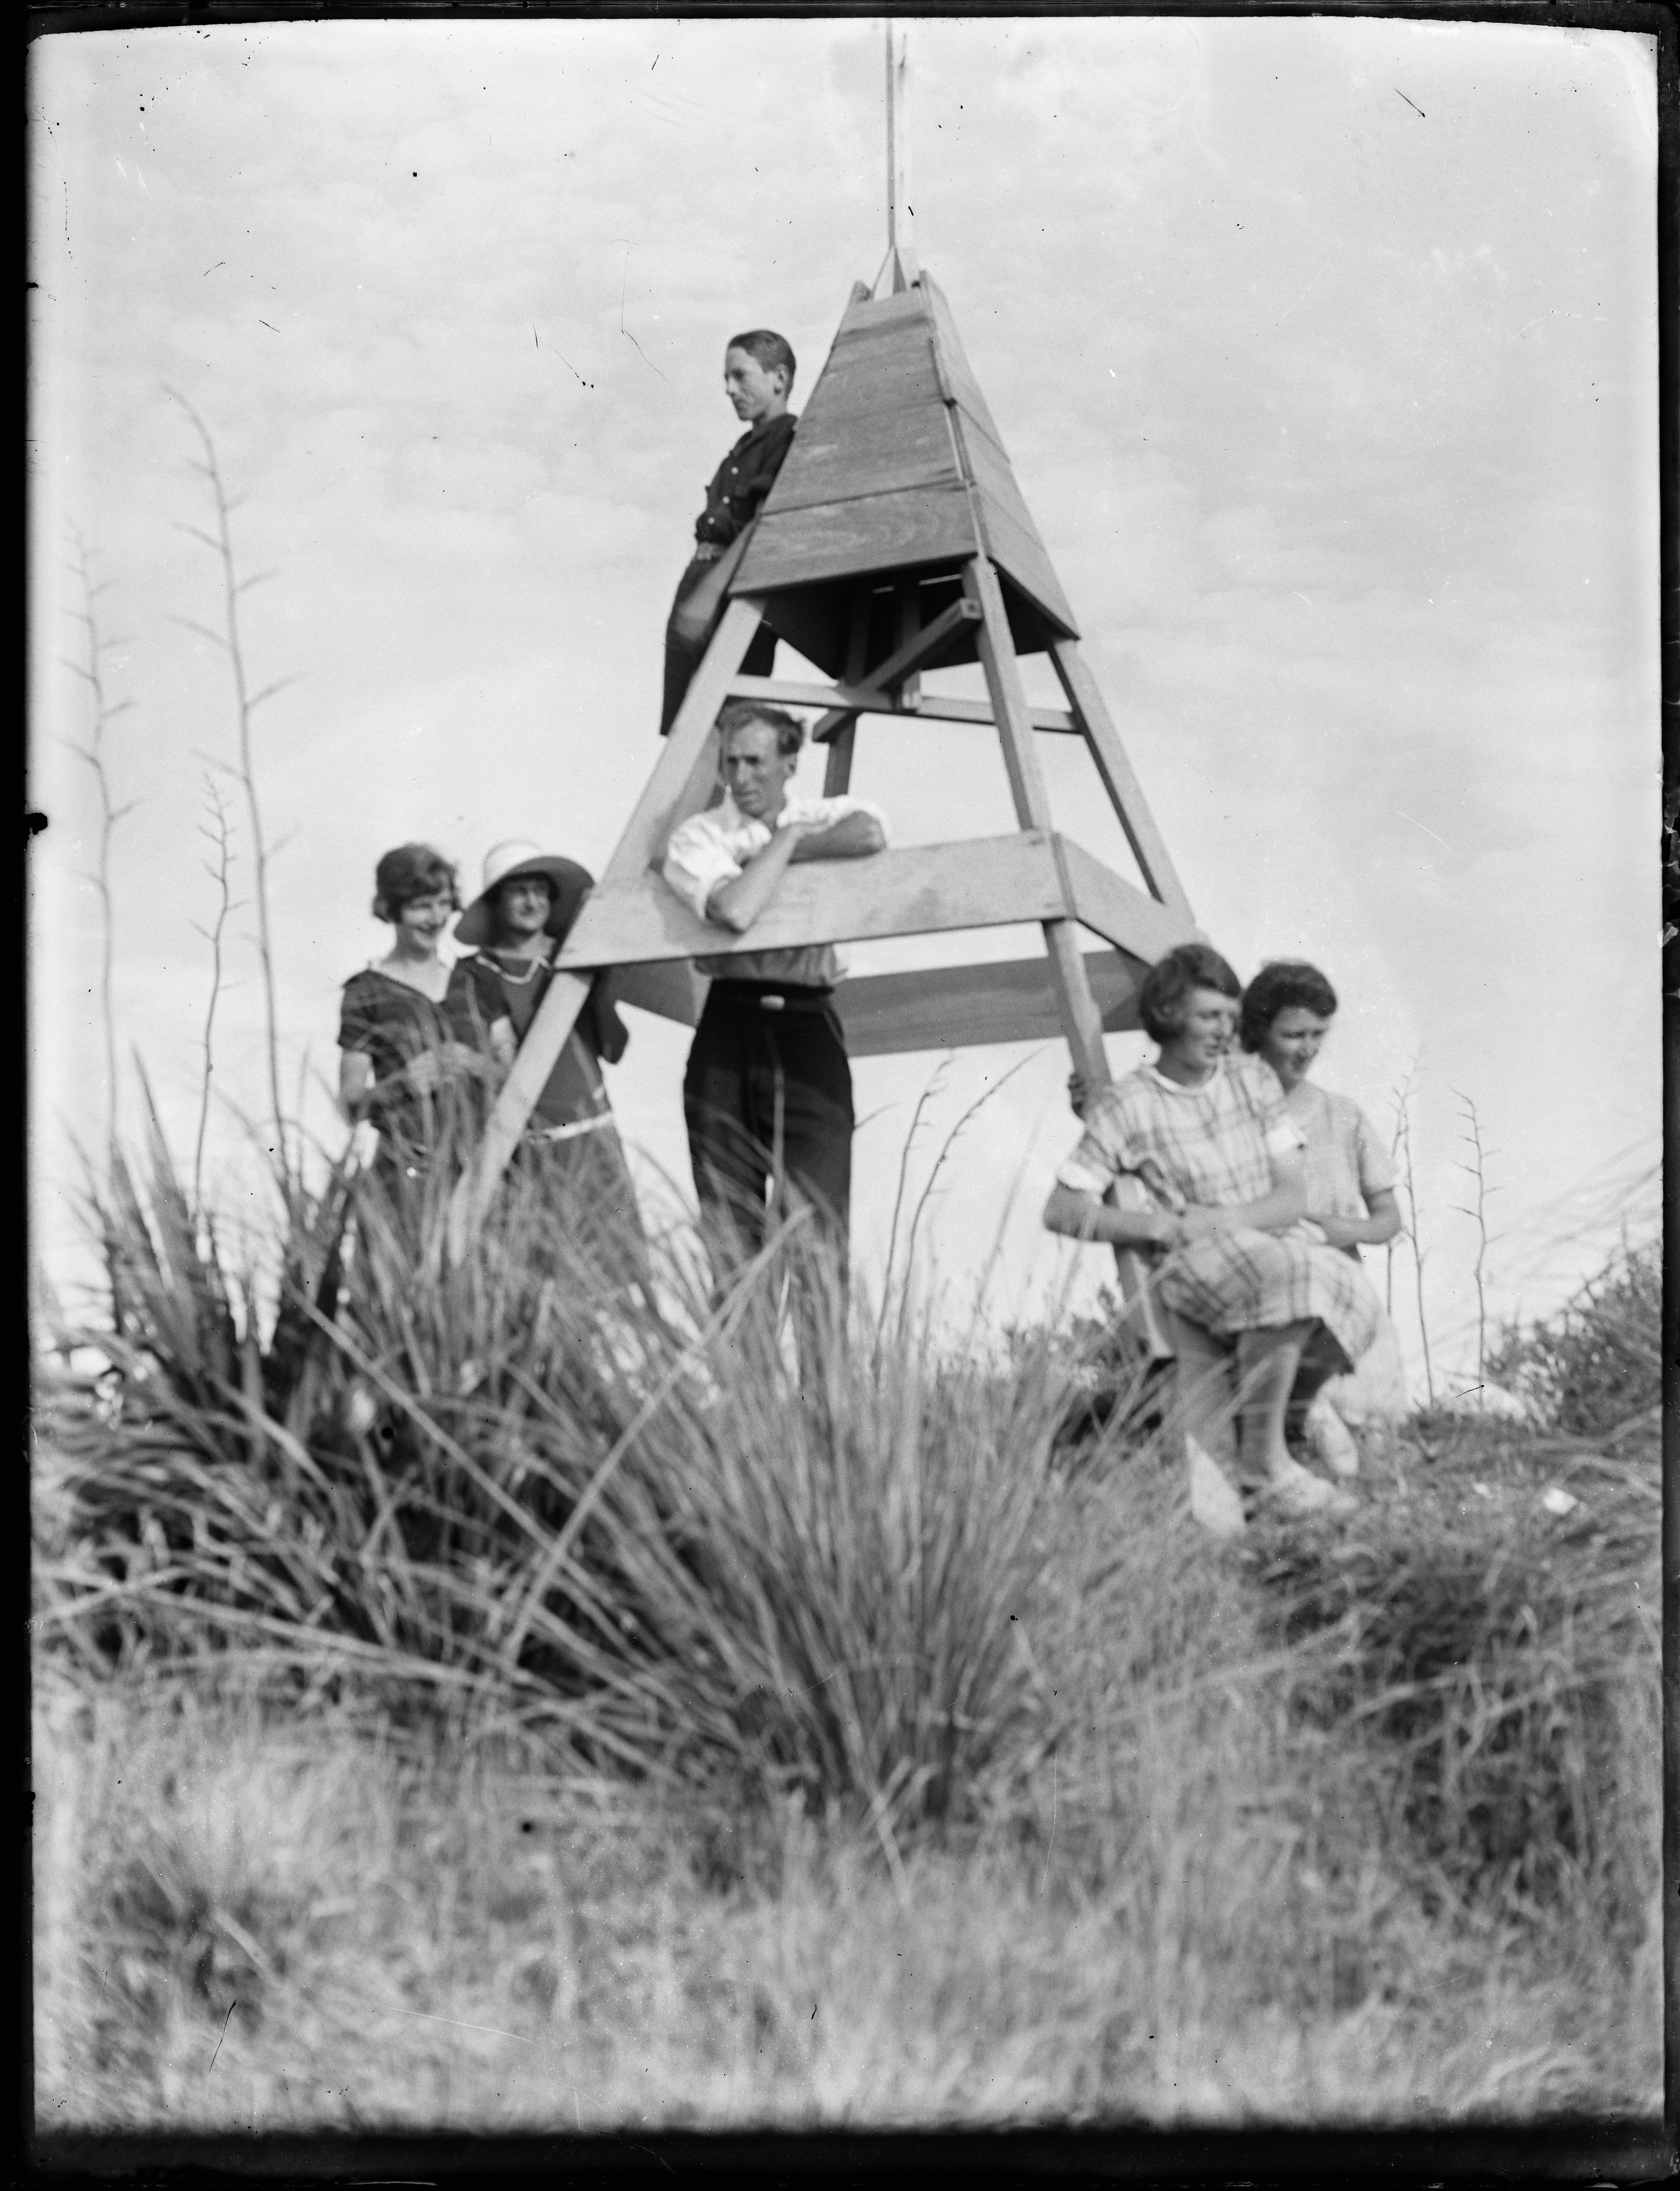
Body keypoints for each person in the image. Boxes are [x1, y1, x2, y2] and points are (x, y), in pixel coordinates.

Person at [1044, 942, 1382, 1532]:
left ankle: (1281, 1427)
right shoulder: (1131, 1104)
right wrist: (1159, 1226)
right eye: (1209, 1017)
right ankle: (1268, 1466)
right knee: (1299, 1278)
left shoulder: (1251, 1081)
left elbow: (1290, 1198)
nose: (1225, 1031)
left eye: (1231, 1018)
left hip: (1263, 1239)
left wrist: (1224, 1218)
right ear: (1170, 1015)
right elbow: (1062, 1209)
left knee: (1343, 1286)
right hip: (1198, 1261)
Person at [661, 700, 888, 1286]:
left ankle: (824, 1381)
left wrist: (784, 840)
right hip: (729, 1025)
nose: (742, 778)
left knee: (815, 1230)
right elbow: (734, 911)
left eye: (757, 762)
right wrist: (788, 847)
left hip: (807, 1024)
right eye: (731, 763)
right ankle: (745, 1378)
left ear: (790, 762)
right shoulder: (700, 835)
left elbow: (868, 831)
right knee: (732, 1236)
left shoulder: (824, 813)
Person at [445, 840, 648, 1288]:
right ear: (496, 902)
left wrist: (600, 982)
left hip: (593, 1137)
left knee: (609, 1286)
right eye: (519, 891)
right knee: (535, 1284)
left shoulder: (575, 959)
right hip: (528, 1149)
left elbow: (614, 1048)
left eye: (541, 890)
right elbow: (489, 1065)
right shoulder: (476, 973)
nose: (532, 901)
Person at [1239, 959, 1406, 1468]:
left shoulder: (1342, 1115)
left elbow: (1387, 1219)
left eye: (1318, 1034)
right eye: (1294, 1034)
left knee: (1375, 1426)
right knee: (1313, 1434)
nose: (1308, 1048)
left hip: (1344, 1291)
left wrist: (1340, 1230)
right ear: (1259, 1031)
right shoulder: (1233, 1111)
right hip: (1268, 1292)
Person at [338, 844, 488, 1223]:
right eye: (421, 906)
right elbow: (350, 1103)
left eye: (442, 903)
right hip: (405, 1182)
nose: (435, 918)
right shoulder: (365, 991)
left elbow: (514, 1073)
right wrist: (405, 1083)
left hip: (480, 1173)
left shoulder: (472, 982)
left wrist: (472, 1063)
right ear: (391, 909)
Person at [659, 330, 798, 737]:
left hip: (731, 591)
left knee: (729, 725)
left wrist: (710, 594)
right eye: (726, 379)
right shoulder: (741, 450)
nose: (729, 389)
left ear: (780, 378)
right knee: (685, 728)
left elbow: (764, 525)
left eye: (740, 376)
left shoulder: (788, 440)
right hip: (703, 581)